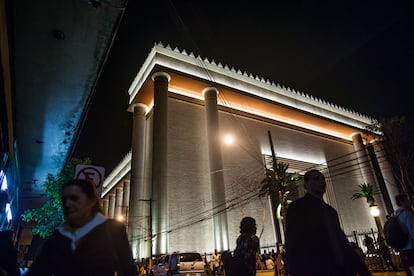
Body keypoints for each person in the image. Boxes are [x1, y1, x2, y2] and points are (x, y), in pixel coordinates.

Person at [27, 179, 137, 276]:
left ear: (91, 201)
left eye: (74, 198)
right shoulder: (57, 237)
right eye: (64, 200)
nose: (68, 204)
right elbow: (38, 271)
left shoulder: (113, 230)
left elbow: (128, 269)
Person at [285, 169, 371, 276]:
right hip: (314, 269)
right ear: (305, 185)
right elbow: (293, 242)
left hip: (339, 269)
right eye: (316, 179)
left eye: (322, 179)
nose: (321, 181)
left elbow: (341, 242)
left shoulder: (330, 211)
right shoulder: (297, 207)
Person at [395, 193, 414, 276]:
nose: (409, 202)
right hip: (411, 247)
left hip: (402, 248)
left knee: (409, 270)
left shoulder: (395, 215)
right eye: (407, 200)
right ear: (402, 202)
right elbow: (412, 230)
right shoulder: (407, 214)